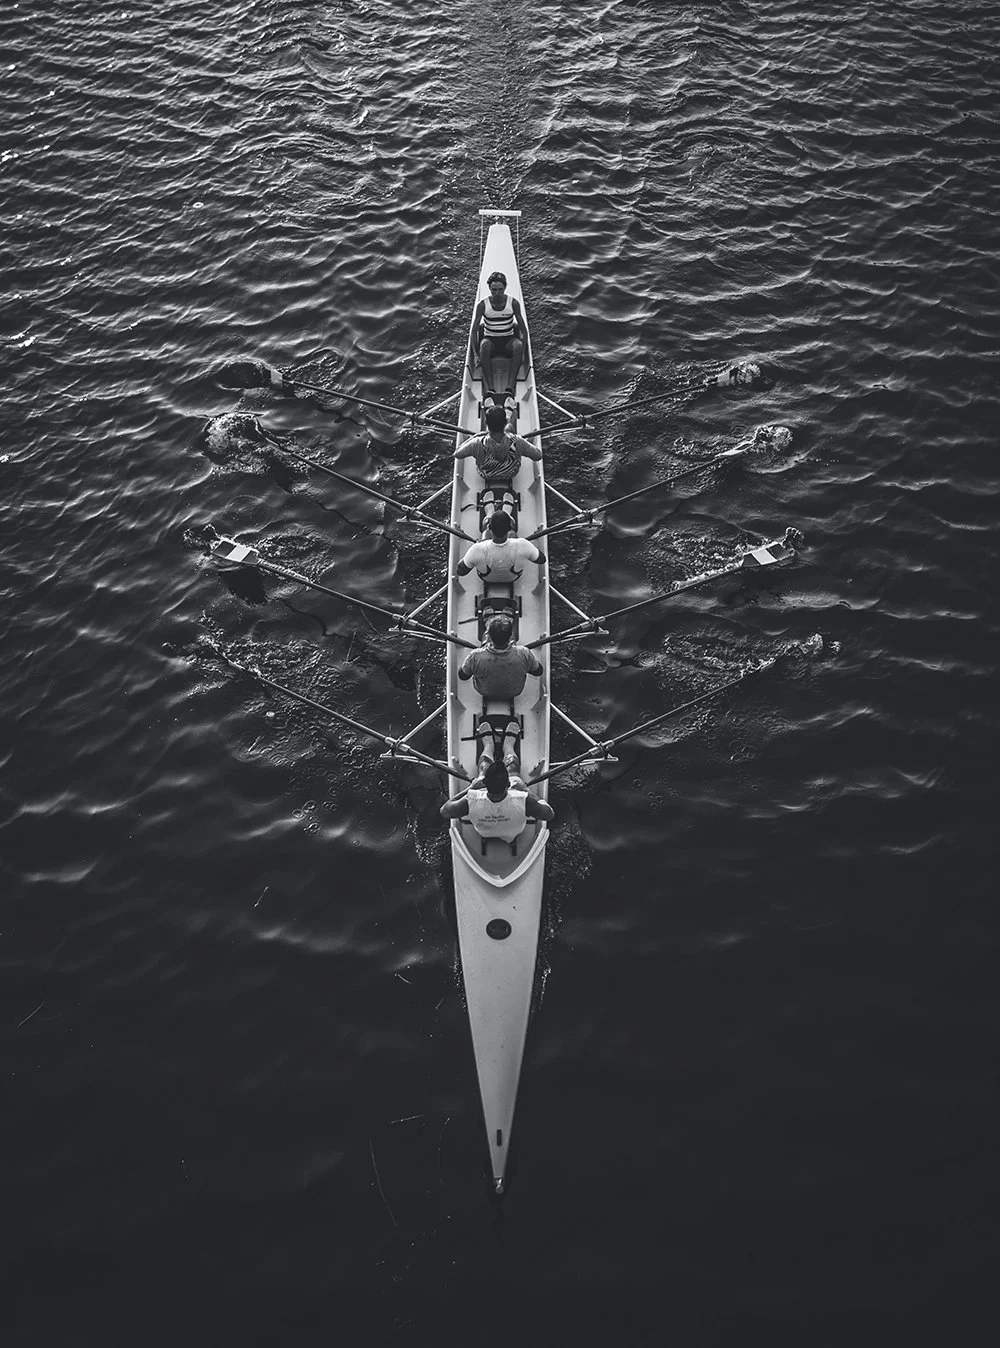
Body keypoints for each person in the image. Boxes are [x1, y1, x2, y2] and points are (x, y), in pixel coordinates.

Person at [440, 722, 554, 840]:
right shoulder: (523, 800)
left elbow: (445, 811)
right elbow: (549, 814)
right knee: (513, 770)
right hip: (514, 833)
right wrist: (526, 789)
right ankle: (508, 746)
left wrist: (471, 788)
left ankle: (489, 745)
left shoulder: (472, 799)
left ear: (484, 783)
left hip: (484, 833)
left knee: (483, 768)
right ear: (509, 784)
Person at [455, 405, 542, 517]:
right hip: (511, 473)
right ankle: (509, 411)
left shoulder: (477, 442)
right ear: (505, 422)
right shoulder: (517, 441)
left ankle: (492, 408)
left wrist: (475, 436)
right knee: (510, 428)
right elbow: (538, 456)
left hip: (486, 474)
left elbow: (457, 453)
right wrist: (521, 443)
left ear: (486, 423)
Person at [470, 271, 527, 408]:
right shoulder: (483, 305)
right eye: (494, 290)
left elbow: (523, 330)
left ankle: (509, 388)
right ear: (489, 289)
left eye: (500, 290)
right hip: (491, 341)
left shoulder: (513, 303)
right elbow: (473, 331)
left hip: (508, 341)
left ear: (505, 288)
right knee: (484, 345)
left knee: (518, 346)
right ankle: (490, 389)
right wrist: (476, 354)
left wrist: (523, 352)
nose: (497, 293)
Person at [458, 614, 543, 699]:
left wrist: (471, 663)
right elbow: (538, 671)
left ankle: (488, 619)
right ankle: (508, 616)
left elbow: (463, 676)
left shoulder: (475, 656)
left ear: (490, 636)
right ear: (510, 636)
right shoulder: (524, 653)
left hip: (484, 692)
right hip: (515, 692)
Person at [456, 509, 546, 583]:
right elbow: (542, 559)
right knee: (513, 535)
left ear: (490, 528)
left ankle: (489, 512)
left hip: (486, 579)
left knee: (485, 534)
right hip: (513, 578)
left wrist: (474, 550)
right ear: (510, 527)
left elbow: (460, 572)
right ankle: (507, 510)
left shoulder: (477, 549)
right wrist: (527, 549)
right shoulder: (523, 544)